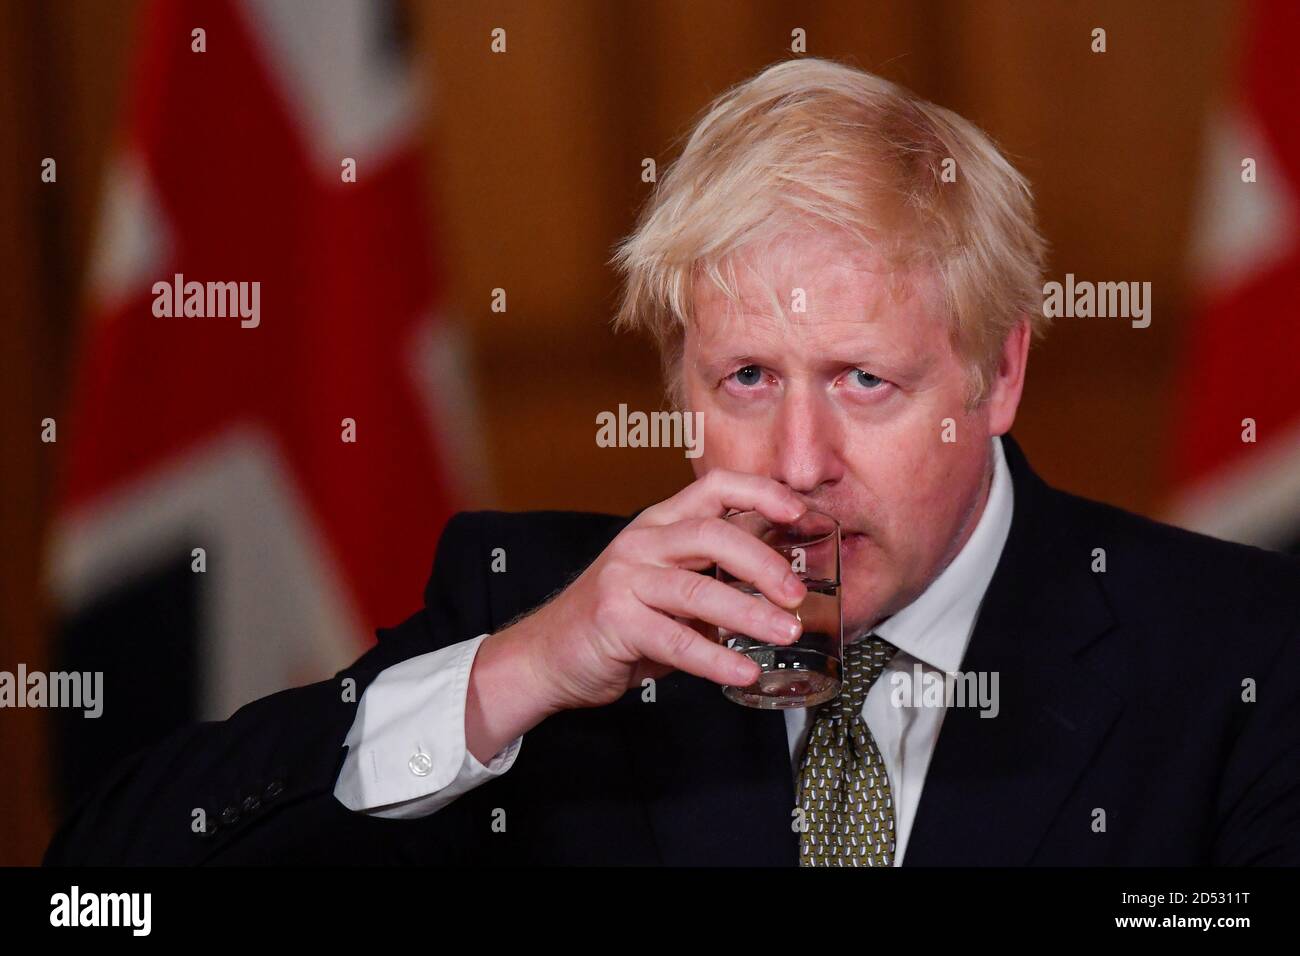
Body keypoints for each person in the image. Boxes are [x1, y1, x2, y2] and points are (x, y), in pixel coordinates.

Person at [44, 58, 1300, 866]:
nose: (799, 462)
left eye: (864, 381)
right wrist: (522, 672)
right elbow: (101, 880)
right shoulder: (531, 606)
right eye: (746, 377)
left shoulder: (1240, 649)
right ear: (678, 380)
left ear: (998, 372)